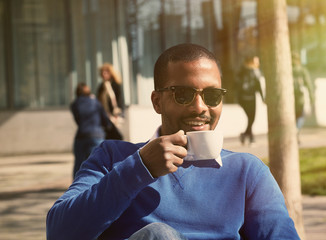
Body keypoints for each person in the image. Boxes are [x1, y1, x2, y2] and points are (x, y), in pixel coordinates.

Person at [47, 43, 300, 240]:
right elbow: (60, 233)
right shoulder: (114, 157)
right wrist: (139, 167)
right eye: (183, 94)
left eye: (211, 95)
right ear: (157, 101)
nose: (199, 107)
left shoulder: (247, 171)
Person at [70, 83, 111, 178]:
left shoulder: (74, 104)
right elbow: (105, 120)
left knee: (79, 164)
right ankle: (97, 185)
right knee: (97, 164)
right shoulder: (96, 102)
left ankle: (76, 188)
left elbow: (78, 120)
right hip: (96, 136)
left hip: (81, 136)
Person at [236, 55, 265, 145]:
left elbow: (236, 86)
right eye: (256, 62)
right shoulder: (254, 72)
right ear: (251, 62)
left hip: (245, 99)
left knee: (250, 118)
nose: (258, 64)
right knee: (251, 118)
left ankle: (247, 135)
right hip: (250, 99)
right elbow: (258, 85)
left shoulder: (241, 71)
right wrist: (262, 97)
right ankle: (249, 136)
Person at [292, 52, 314, 141]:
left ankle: (295, 132)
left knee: (293, 117)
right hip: (299, 97)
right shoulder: (302, 70)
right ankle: (296, 131)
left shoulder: (287, 69)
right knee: (300, 116)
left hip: (290, 98)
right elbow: (309, 85)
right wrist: (312, 98)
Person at [97, 63, 124, 129]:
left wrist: (117, 113)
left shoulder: (115, 85)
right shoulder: (101, 86)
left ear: (110, 73)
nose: (104, 75)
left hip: (115, 114)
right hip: (105, 114)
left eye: (105, 73)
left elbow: (119, 99)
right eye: (102, 73)